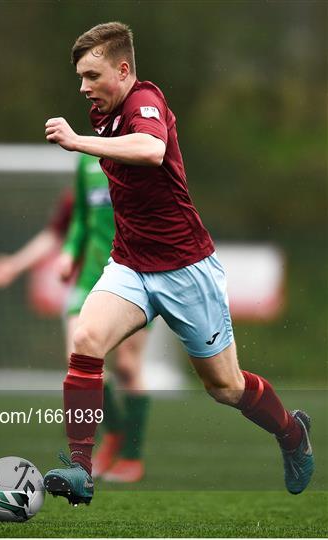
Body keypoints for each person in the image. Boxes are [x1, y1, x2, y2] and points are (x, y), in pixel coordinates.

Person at [42, 22, 314, 505]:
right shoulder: (102, 112)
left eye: (91, 75)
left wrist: (79, 141)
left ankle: (291, 433)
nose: (83, 88)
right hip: (130, 264)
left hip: (186, 269)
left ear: (123, 70)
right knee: (85, 339)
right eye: (80, 77)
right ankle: (81, 468)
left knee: (225, 387)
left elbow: (151, 149)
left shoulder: (145, 101)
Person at [0, 158, 152, 482]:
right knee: (79, 360)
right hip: (90, 276)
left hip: (137, 274)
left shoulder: (143, 154)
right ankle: (114, 434)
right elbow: (75, 223)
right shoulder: (86, 164)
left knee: (127, 367)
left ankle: (132, 458)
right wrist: (64, 254)